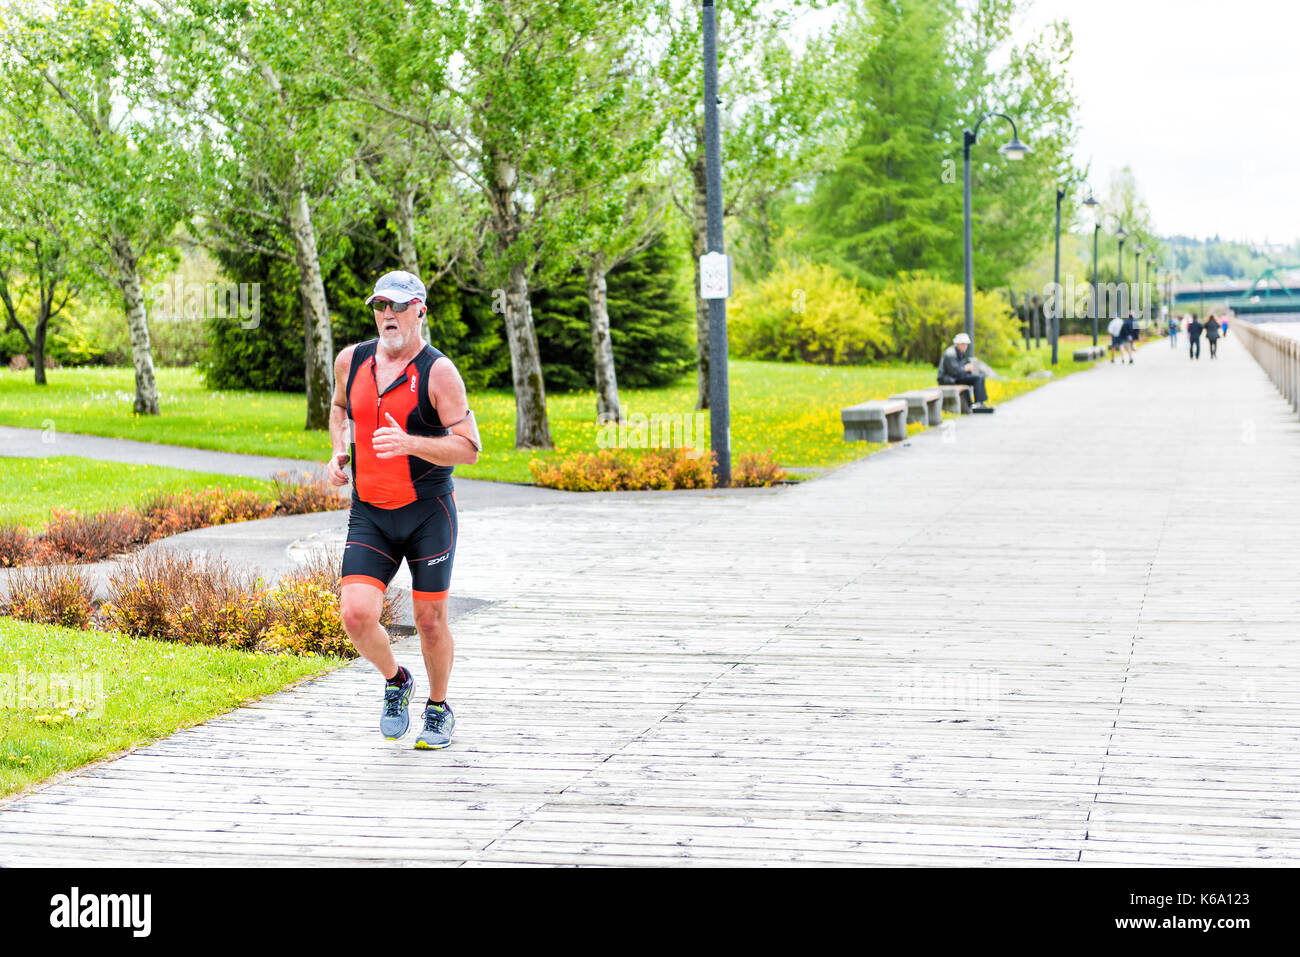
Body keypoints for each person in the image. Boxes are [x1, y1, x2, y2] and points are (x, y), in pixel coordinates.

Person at [327, 270, 482, 750]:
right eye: (379, 306)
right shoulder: (350, 361)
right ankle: (396, 681)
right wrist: (338, 452)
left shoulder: (439, 372)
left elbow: (470, 447)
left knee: (430, 620)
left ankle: (438, 708)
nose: (387, 315)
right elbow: (338, 410)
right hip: (370, 512)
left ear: (420, 310)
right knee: (355, 615)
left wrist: (410, 444)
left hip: (427, 513)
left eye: (397, 306)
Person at [937, 332, 993, 412]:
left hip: (954, 378)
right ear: (957, 344)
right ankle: (977, 404)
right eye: (963, 344)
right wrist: (965, 369)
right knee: (978, 378)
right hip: (947, 379)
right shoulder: (950, 353)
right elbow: (954, 372)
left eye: (966, 344)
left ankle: (980, 403)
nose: (965, 346)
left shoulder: (958, 352)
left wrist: (966, 370)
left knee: (980, 377)